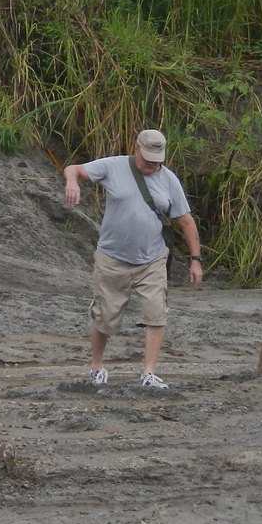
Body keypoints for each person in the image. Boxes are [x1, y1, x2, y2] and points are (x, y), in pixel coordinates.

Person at [63, 128, 204, 390]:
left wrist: (196, 259)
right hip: (112, 257)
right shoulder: (113, 166)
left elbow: (185, 220)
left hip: (152, 258)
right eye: (147, 159)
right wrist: (72, 182)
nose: (152, 165)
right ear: (136, 148)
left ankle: (148, 373)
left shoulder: (169, 180)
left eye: (156, 161)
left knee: (156, 311)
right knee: (105, 315)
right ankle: (97, 368)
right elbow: (74, 169)